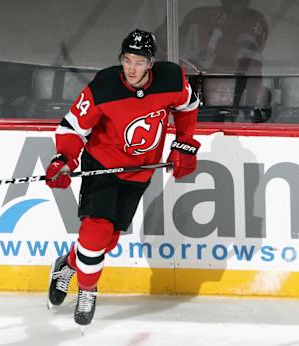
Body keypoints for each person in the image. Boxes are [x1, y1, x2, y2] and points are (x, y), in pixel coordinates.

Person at [45, 29, 200, 327]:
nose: (132, 68)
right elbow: (73, 127)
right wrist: (64, 158)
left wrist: (184, 143)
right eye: (127, 60)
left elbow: (188, 107)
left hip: (140, 173)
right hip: (102, 167)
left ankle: (68, 265)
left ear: (151, 63)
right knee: (95, 230)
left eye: (139, 62)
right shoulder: (104, 86)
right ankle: (88, 290)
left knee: (107, 241)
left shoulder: (171, 80)